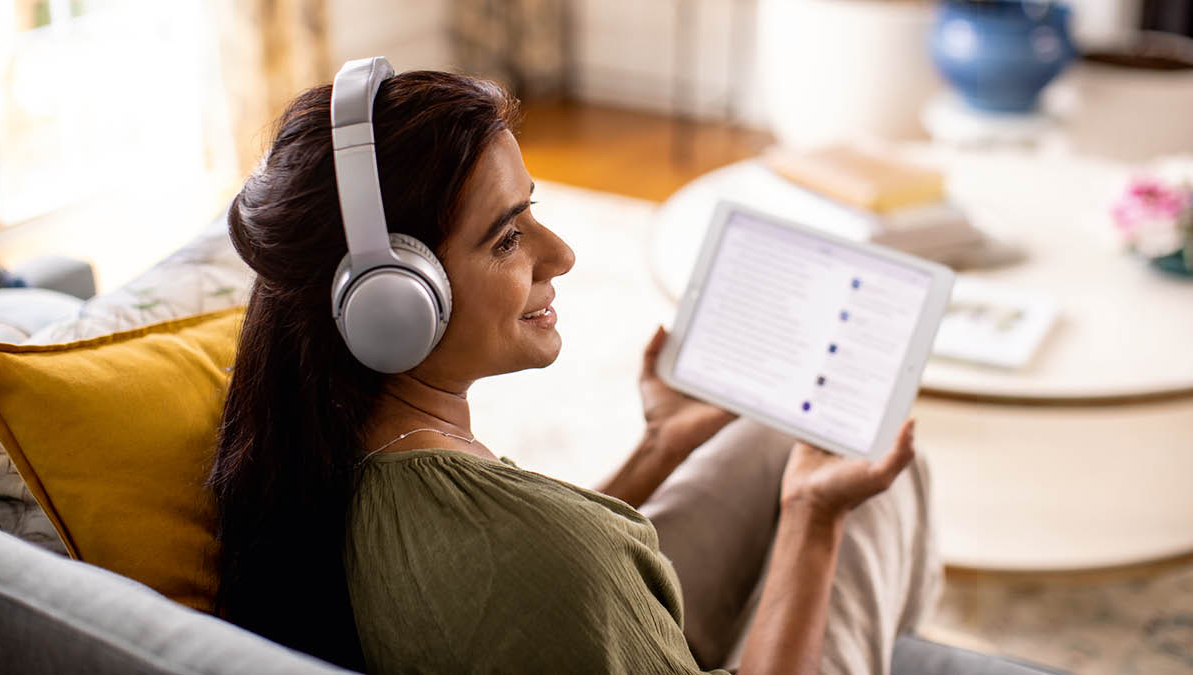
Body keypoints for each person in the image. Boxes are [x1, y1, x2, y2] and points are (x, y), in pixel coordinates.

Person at [210, 70, 939, 674]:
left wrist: (661, 447)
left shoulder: (325, 454)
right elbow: (549, 565)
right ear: (394, 302)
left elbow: (533, 574)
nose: (560, 254)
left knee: (782, 433)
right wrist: (813, 517)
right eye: (506, 238)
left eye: (534, 209)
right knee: (868, 473)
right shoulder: (543, 554)